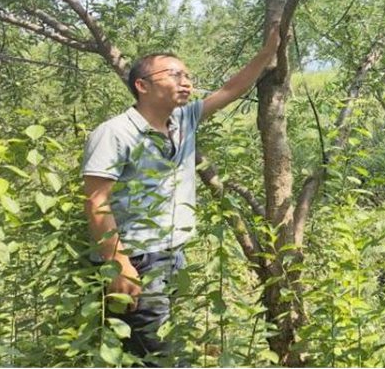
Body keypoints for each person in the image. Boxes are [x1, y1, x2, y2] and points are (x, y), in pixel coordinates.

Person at [82, 29, 280, 366]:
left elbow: (232, 89)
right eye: (174, 74)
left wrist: (267, 53)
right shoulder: (114, 133)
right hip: (137, 258)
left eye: (187, 75)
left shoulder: (183, 120)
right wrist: (120, 263)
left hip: (174, 254)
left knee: (152, 350)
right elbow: (96, 200)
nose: (185, 81)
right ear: (142, 86)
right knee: (161, 356)